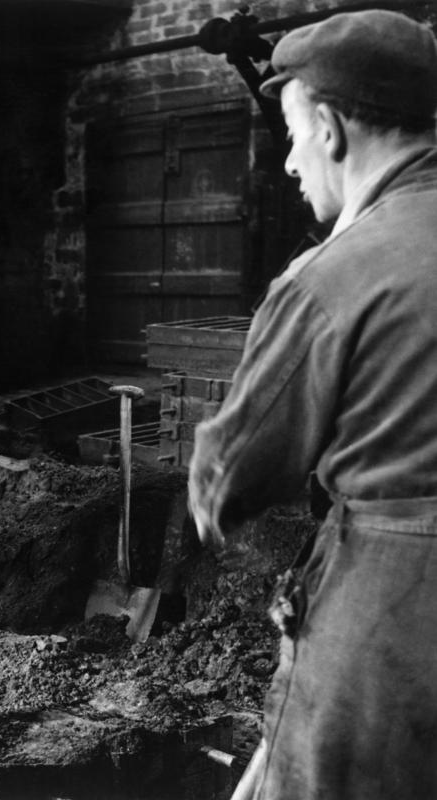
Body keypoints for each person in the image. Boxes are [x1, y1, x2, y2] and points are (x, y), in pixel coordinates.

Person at [187, 9, 437, 800]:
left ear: (329, 127)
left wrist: (207, 479)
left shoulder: (330, 277)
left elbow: (227, 481)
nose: (291, 161)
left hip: (396, 610)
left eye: (292, 134)